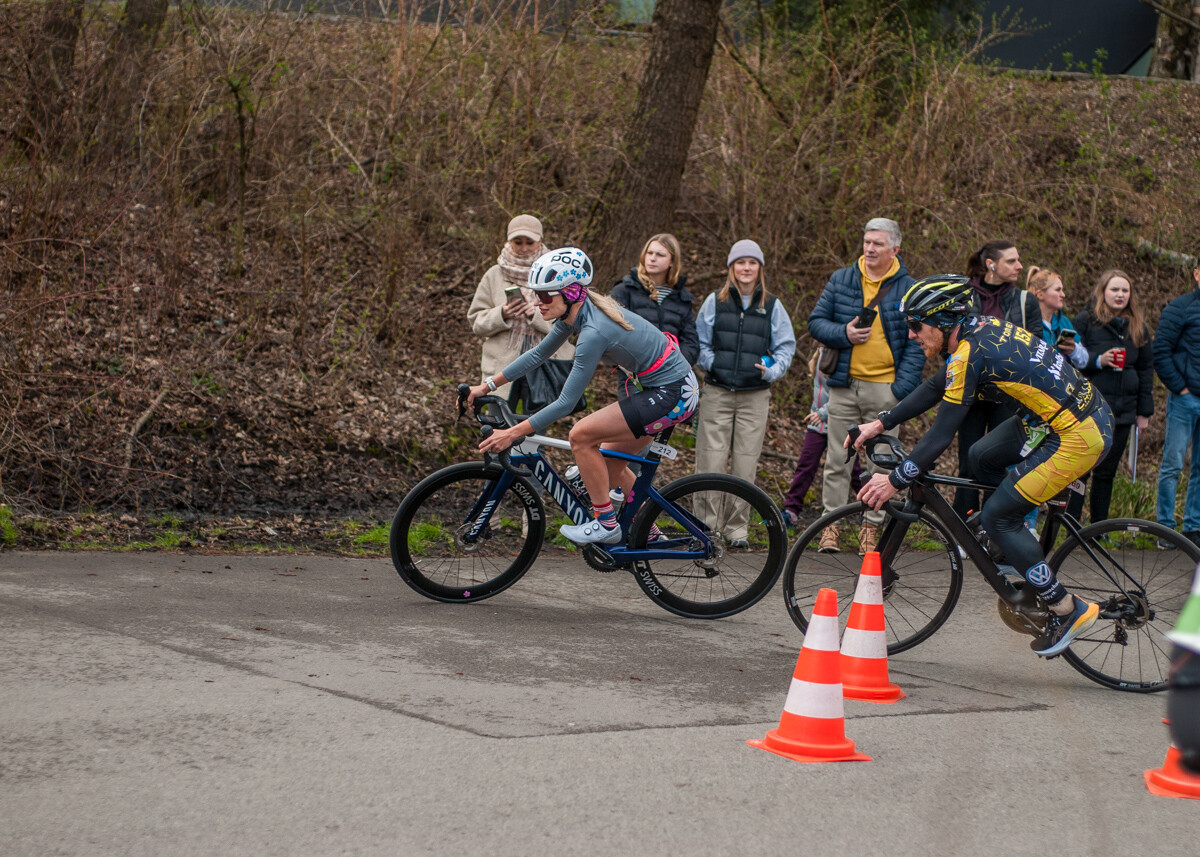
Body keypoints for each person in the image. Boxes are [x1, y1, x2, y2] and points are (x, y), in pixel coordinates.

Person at [850, 275, 1112, 658]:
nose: (911, 335)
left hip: (1077, 435)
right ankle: (1011, 534)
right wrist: (881, 422)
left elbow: (940, 436)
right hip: (1057, 420)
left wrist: (895, 480)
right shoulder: (979, 330)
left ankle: (1067, 607)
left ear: (942, 321)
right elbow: (936, 386)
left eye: (916, 325)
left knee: (998, 517)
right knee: (980, 456)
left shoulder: (971, 352)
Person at [469, 247, 699, 546]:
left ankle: (606, 523)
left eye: (546, 295)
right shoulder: (580, 310)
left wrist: (513, 433)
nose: (538, 302)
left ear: (572, 293)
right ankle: (649, 533)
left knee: (581, 436)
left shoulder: (593, 331)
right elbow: (538, 353)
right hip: (666, 389)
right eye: (536, 295)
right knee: (610, 464)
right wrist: (487, 385)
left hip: (671, 393)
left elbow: (565, 403)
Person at [807, 217, 924, 555]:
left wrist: (900, 389)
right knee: (837, 460)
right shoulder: (842, 279)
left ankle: (870, 530)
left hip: (886, 389)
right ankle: (830, 526)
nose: (870, 248)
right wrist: (843, 333)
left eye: (878, 244)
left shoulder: (908, 288)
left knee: (882, 463)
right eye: (867, 242)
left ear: (895, 249)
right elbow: (816, 323)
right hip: (843, 387)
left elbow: (918, 344)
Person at [694, 239, 796, 548]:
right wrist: (714, 364)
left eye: (752, 263)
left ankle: (736, 529)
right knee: (710, 462)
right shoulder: (715, 301)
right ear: (731, 268)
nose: (746, 268)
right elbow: (699, 342)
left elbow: (785, 347)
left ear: (760, 268)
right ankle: (705, 527)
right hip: (717, 391)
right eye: (740, 262)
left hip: (755, 396)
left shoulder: (773, 306)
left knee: (745, 464)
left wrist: (772, 370)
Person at [952, 240, 1041, 520]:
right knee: (967, 462)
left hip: (1010, 394)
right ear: (991, 265)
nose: (1019, 266)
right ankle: (963, 527)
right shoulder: (963, 297)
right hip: (971, 391)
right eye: (1012, 261)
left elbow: (1035, 346)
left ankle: (992, 526)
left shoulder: (1026, 301)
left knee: (998, 462)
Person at [1067, 269, 1153, 524]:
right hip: (1089, 409)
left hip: (1124, 411)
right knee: (1081, 470)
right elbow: (1065, 359)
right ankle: (1071, 526)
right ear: (1103, 291)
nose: (1120, 295)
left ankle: (1099, 529)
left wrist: (1144, 411)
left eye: (1125, 290)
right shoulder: (1084, 321)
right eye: (1115, 289)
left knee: (1107, 473)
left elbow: (1146, 368)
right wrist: (1097, 360)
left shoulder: (1138, 327)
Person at [466, 215, 575, 409]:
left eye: (530, 242)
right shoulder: (494, 274)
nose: (524, 248)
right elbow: (476, 322)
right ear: (509, 241)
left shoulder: (557, 274)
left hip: (547, 364)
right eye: (518, 242)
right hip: (501, 365)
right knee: (495, 428)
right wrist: (502, 314)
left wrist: (535, 314)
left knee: (535, 429)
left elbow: (571, 322)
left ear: (540, 241)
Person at [780, 348, 864, 528]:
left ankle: (871, 509)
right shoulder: (819, 352)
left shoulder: (842, 353)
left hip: (835, 419)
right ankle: (791, 511)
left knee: (853, 470)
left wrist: (824, 412)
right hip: (817, 421)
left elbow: (845, 392)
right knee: (806, 464)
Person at [1152, 254, 1200, 546]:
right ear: (1196, 274)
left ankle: (1193, 528)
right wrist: (1180, 388)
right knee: (1173, 463)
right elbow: (1161, 351)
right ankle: (1165, 529)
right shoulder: (1180, 308)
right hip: (1185, 400)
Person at [610, 233, 700, 382]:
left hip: (671, 377)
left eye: (660, 255)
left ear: (672, 262)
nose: (652, 258)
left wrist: (675, 366)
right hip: (634, 377)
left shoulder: (681, 298)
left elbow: (691, 342)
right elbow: (610, 332)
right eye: (649, 253)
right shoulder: (624, 290)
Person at [1026, 266, 1089, 370]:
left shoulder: (1063, 322)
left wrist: (1074, 351)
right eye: (1058, 290)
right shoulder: (1026, 322)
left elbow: (1084, 361)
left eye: (1062, 290)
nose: (1063, 295)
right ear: (1040, 294)